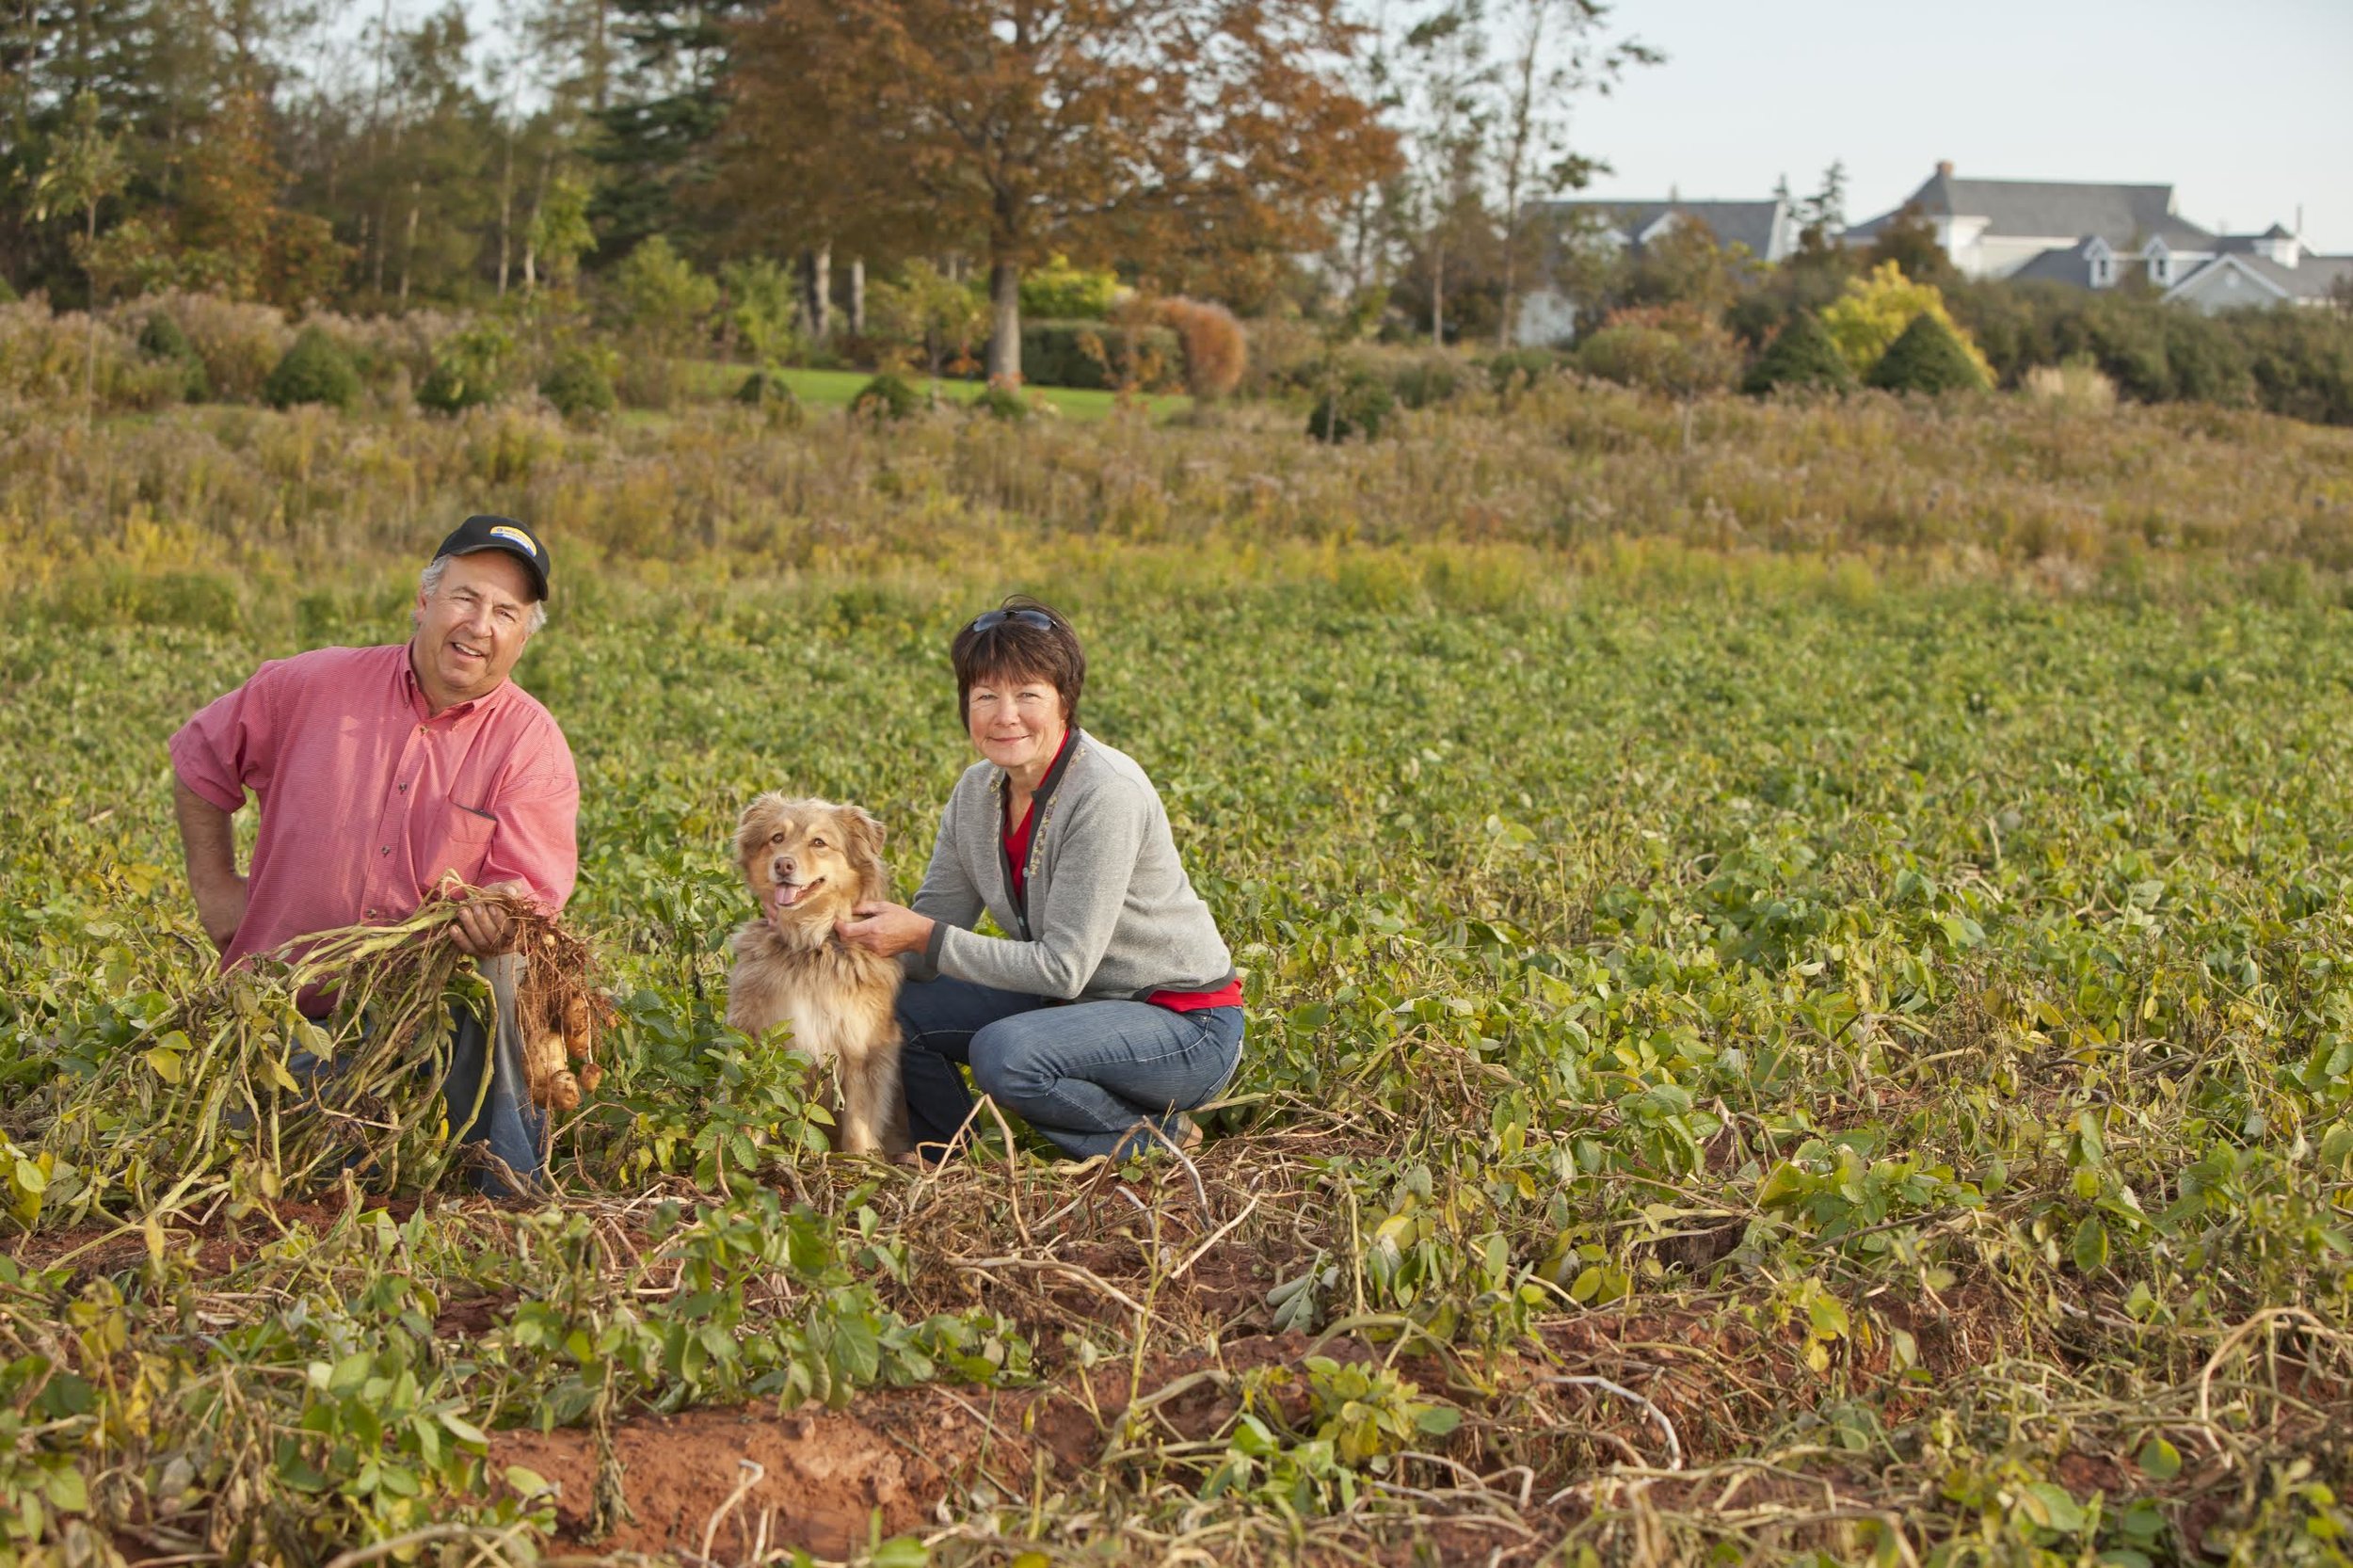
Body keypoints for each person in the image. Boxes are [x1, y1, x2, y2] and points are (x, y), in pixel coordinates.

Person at [169, 516, 579, 1195]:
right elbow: (199, 759)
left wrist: (502, 912)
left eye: (506, 612)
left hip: (427, 1028)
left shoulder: (531, 744)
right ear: (423, 602)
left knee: (508, 968)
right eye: (465, 598)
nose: (480, 625)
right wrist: (214, 886)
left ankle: (507, 1196)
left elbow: (528, 892)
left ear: (523, 637)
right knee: (269, 1189)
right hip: (286, 1011)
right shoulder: (308, 686)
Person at [837, 598, 1243, 1164]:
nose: (1005, 715)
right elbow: (928, 945)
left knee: (1006, 1053)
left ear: (1064, 701)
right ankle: (951, 1157)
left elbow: (1064, 967)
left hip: (1180, 1025)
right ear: (965, 706)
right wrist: (832, 945)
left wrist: (922, 935)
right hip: (1071, 1008)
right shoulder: (976, 794)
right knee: (899, 1002)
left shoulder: (1106, 793)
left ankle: (1156, 1138)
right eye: (985, 697)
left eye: (1027, 694)